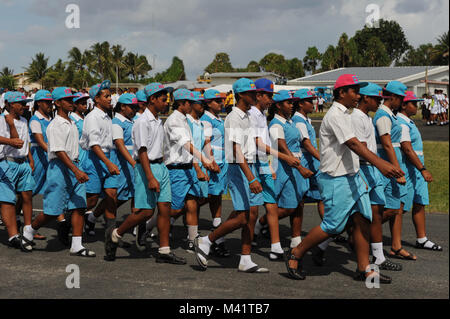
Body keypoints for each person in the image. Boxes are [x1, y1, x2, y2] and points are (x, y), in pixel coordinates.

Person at [285, 74, 403, 283]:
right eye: (354, 91)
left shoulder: (348, 114)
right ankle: (296, 253)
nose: (358, 95)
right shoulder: (335, 116)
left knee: (362, 221)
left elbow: (359, 144)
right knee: (333, 226)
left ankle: (365, 269)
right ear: (341, 93)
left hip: (352, 176)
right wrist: (381, 164)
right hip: (335, 178)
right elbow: (354, 145)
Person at [104, 83, 186, 264]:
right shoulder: (142, 122)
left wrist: (162, 168)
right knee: (146, 212)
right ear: (152, 99)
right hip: (145, 167)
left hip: (160, 166)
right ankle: (115, 234)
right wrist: (150, 177)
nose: (167, 103)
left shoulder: (158, 120)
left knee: (165, 209)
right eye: (163, 99)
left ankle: (164, 251)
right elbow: (142, 151)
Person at [194, 78, 269, 273]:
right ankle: (207, 240)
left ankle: (245, 258)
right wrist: (251, 177)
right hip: (239, 168)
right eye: (251, 93)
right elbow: (236, 150)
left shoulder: (247, 116)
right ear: (241, 95)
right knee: (243, 217)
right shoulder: (233, 118)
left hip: (249, 165)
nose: (255, 96)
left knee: (252, 215)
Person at [20, 87, 95, 256]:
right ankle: (29, 231)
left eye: (72, 100)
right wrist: (76, 170)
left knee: (79, 206)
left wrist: (78, 168)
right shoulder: (55, 125)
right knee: (52, 211)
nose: (72, 103)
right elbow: (59, 151)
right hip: (60, 168)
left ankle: (77, 244)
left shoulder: (71, 122)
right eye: (68, 100)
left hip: (74, 165)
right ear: (58, 103)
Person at [351, 83, 402, 271]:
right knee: (352, 217)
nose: (380, 102)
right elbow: (360, 148)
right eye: (377, 99)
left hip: (372, 169)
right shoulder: (356, 117)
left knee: (377, 213)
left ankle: (378, 256)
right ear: (366, 98)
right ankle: (320, 246)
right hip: (363, 169)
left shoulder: (367, 117)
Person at [250, 80, 302, 261]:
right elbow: (258, 143)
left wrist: (269, 164)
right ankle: (215, 238)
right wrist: (283, 157)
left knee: (272, 206)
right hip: (252, 164)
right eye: (269, 96)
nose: (270, 100)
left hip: (264, 163)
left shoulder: (261, 115)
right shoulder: (250, 115)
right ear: (258, 95)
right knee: (246, 212)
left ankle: (275, 247)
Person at [164, 89, 215, 252]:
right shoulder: (174, 120)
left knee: (193, 204)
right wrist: (204, 160)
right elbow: (186, 144)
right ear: (181, 103)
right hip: (176, 169)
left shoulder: (186, 119)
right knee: (175, 209)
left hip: (188, 168)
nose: (192, 106)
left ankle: (193, 240)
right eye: (189, 103)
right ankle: (149, 226)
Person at [373, 81, 415, 261]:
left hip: (394, 163)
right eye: (401, 99)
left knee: (397, 207)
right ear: (393, 97)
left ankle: (396, 247)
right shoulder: (383, 115)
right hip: (387, 164)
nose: (402, 103)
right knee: (390, 208)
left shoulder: (392, 115)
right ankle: (360, 230)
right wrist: (397, 170)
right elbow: (387, 144)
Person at [397, 91, 442, 251]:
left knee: (420, 202)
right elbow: (407, 149)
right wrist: (422, 169)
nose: (416, 106)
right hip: (410, 169)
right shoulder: (401, 123)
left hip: (417, 168)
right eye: (413, 103)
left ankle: (422, 238)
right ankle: (366, 231)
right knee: (399, 208)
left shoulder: (408, 121)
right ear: (403, 105)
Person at [81, 80, 120, 237]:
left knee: (111, 196)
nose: (110, 99)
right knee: (91, 199)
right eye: (106, 96)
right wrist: (108, 163)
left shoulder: (107, 117)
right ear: (96, 99)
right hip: (94, 159)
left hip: (107, 158)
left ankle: (110, 233)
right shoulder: (92, 117)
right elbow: (94, 144)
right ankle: (71, 221)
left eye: (110, 96)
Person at [0, 92, 35, 250]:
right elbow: (14, 142)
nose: (24, 105)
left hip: (23, 162)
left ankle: (28, 231)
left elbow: (23, 142)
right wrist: (10, 139)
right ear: (9, 104)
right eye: (20, 103)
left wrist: (30, 159)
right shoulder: (2, 119)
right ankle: (13, 235)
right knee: (8, 200)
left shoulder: (24, 120)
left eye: (24, 102)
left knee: (27, 194)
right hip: (7, 162)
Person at [199, 89, 230, 257]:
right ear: (208, 103)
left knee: (215, 197)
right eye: (217, 101)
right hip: (213, 163)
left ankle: (218, 238)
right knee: (207, 197)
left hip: (221, 162)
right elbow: (205, 142)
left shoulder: (218, 118)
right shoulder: (206, 120)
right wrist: (211, 161)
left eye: (222, 100)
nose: (221, 103)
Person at [29, 90, 53, 196]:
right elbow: (40, 141)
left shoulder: (51, 119)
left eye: (50, 102)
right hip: (38, 156)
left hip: (49, 155)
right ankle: (16, 209)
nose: (50, 105)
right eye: (46, 102)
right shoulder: (35, 120)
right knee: (32, 187)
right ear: (38, 103)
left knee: (49, 186)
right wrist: (56, 154)